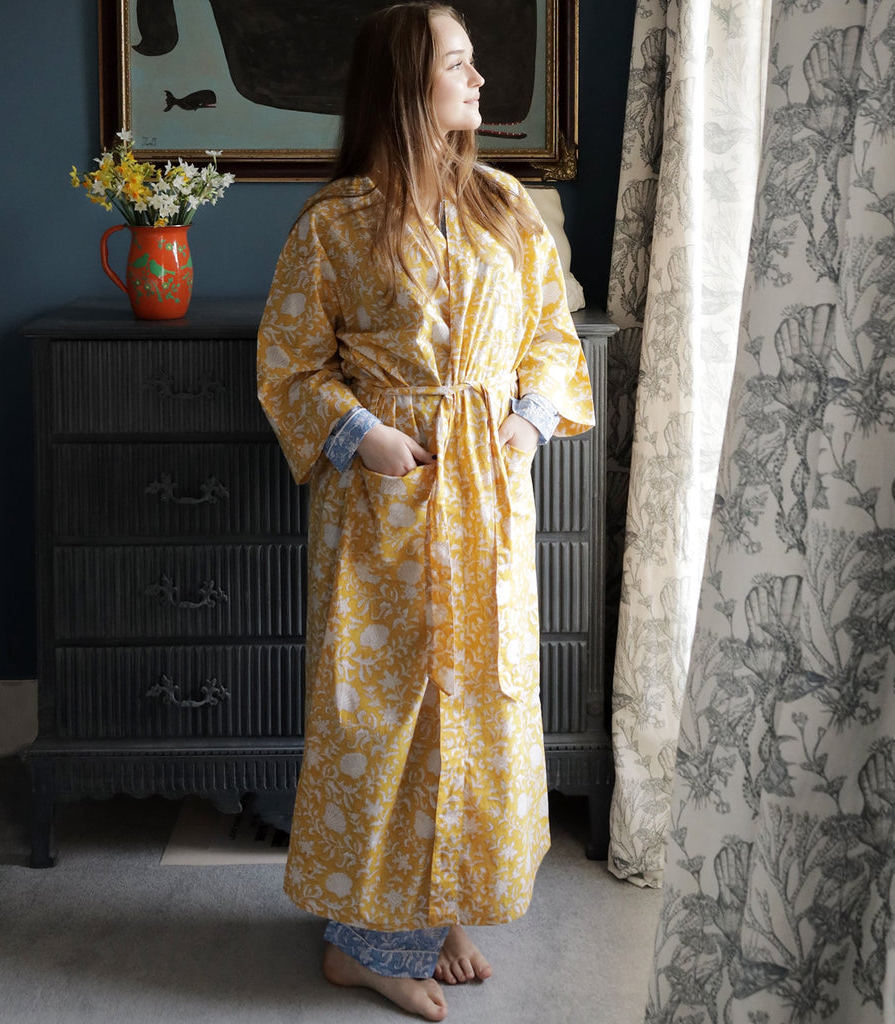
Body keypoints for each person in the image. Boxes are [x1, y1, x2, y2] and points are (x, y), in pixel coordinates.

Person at [256, 3, 595, 1019]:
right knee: (385, 708)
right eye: (459, 63)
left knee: (478, 701)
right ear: (408, 83)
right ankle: (362, 945)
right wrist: (364, 435)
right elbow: (289, 364)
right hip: (386, 505)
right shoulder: (336, 224)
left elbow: (552, 335)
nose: (480, 80)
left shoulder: (504, 204)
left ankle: (434, 905)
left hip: (486, 495)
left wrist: (529, 422)